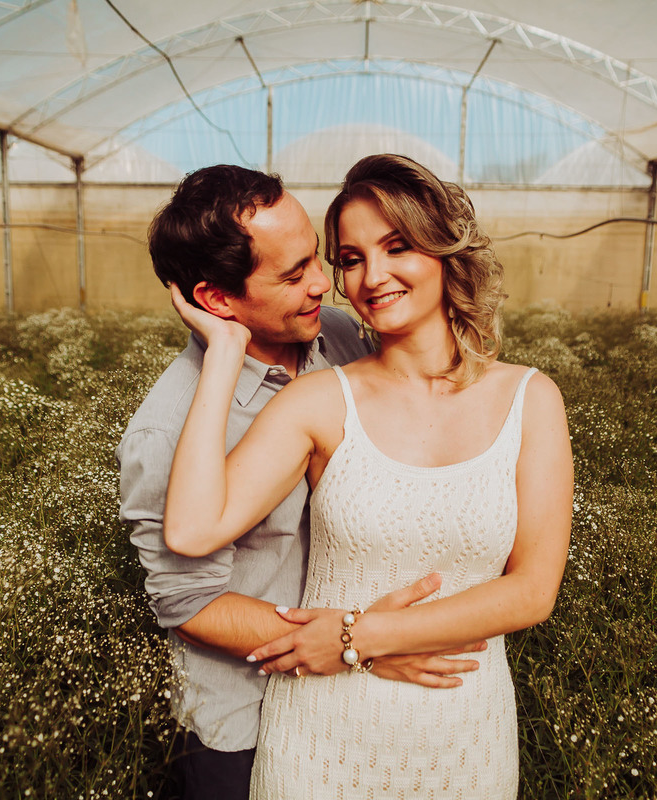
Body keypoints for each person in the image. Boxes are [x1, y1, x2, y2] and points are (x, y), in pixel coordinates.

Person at [163, 154, 573, 799]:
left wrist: (358, 637)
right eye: (351, 259)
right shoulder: (318, 400)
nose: (371, 277)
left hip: (465, 739)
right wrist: (224, 352)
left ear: (443, 250)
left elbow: (532, 591)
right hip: (320, 740)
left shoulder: (531, 398)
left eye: (397, 247)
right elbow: (190, 531)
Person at [117, 164, 487, 800]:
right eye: (292, 276)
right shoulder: (167, 429)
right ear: (216, 301)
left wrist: (370, 641)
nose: (323, 283)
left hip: (367, 695)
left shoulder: (336, 337)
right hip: (247, 720)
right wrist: (362, 642)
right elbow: (190, 602)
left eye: (318, 256)